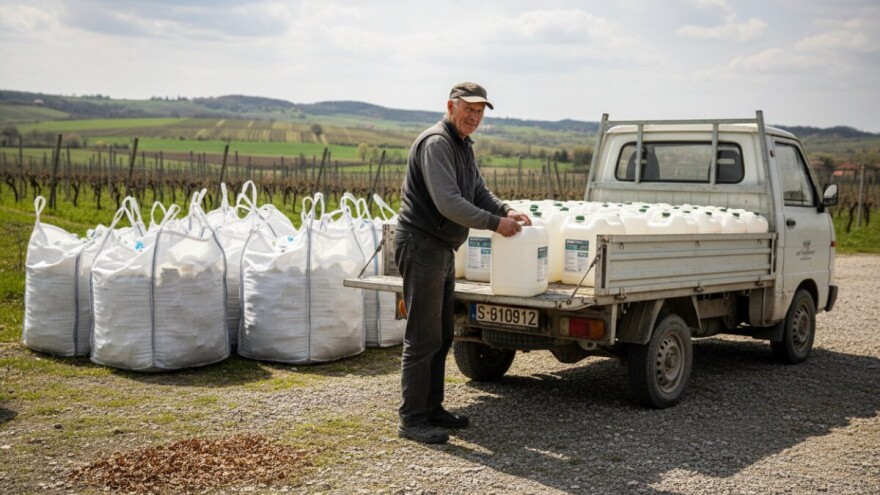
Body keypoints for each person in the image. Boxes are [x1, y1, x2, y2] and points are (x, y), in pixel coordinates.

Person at [394, 82, 531, 444]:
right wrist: (494, 224)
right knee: (423, 337)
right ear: (450, 106)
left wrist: (505, 209)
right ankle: (411, 420)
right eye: (468, 109)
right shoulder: (437, 143)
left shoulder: (462, 146)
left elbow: (478, 192)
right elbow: (449, 202)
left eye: (480, 111)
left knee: (442, 335)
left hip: (439, 248)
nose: (474, 116)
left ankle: (432, 408)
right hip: (421, 245)